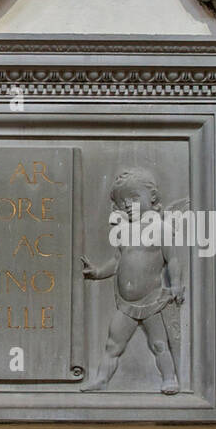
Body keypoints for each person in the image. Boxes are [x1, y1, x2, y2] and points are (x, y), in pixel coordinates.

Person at [81, 167, 184, 395]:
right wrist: (98, 272)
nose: (128, 205)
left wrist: (175, 284)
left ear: (153, 197)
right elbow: (117, 261)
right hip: (125, 305)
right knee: (112, 344)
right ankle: (102, 379)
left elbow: (173, 260)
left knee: (159, 344)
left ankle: (169, 378)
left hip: (151, 301)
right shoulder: (124, 231)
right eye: (123, 201)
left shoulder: (160, 228)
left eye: (134, 198)